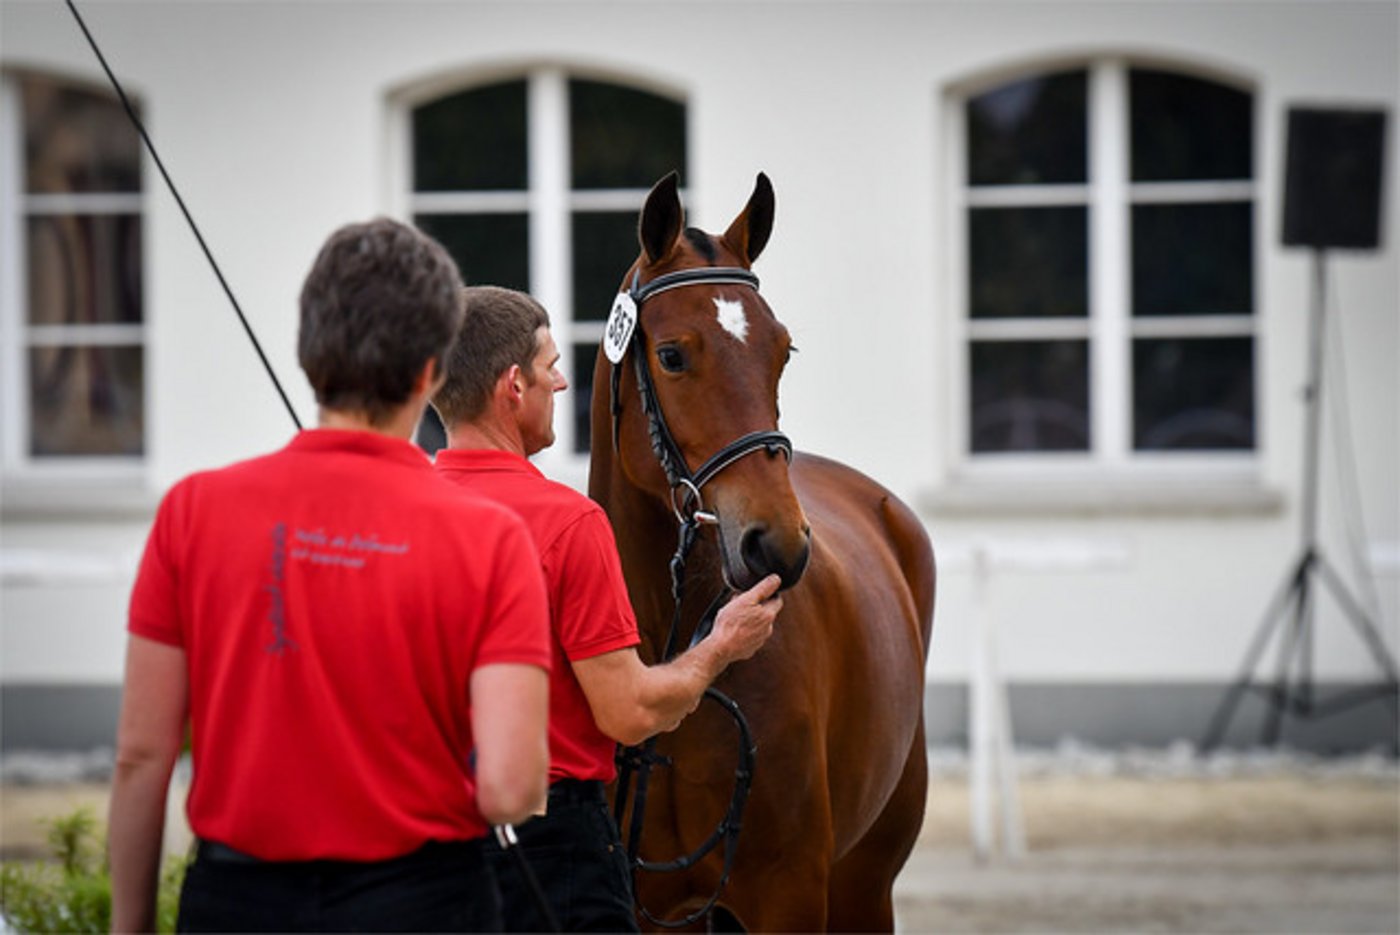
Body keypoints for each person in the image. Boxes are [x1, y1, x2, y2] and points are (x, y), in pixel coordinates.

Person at [107, 220, 552, 933]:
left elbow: (141, 756)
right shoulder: (493, 538)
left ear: (309, 352)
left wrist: (128, 927)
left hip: (236, 904)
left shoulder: (191, 511)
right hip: (425, 902)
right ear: (431, 369)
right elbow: (509, 787)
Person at [430, 285, 783, 932]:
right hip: (549, 844)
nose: (561, 383)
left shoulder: (393, 513)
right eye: (549, 366)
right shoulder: (570, 523)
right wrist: (720, 645)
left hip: (414, 846)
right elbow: (630, 711)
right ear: (514, 386)